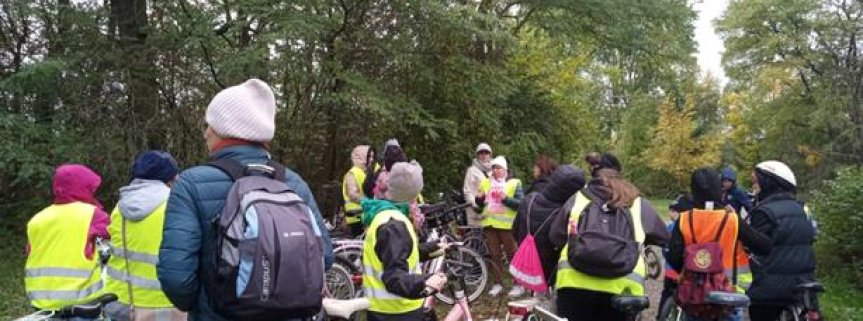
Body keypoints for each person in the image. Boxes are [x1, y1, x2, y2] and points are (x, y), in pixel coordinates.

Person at [157, 79, 334, 321]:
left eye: (209, 125)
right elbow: (324, 258)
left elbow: (176, 277)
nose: (205, 132)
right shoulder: (293, 184)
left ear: (223, 129)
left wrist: (205, 305)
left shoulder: (190, 184)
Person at [549, 168, 669, 321]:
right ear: (622, 181)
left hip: (574, 282)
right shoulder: (638, 204)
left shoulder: (578, 198)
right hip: (623, 287)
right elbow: (663, 237)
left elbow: (555, 236)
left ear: (594, 180)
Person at [104, 151, 186, 321]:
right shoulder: (176, 204)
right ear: (170, 178)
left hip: (122, 301)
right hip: (165, 304)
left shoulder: (120, 207)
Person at [361, 161, 446, 321]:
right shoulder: (394, 224)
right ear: (412, 193)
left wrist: (434, 247)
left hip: (387, 310)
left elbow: (401, 254)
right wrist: (425, 281)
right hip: (397, 312)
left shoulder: (386, 215)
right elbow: (394, 277)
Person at [667, 168, 753, 321]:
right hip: (728, 294)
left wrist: (692, 266)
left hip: (695, 294)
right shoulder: (732, 219)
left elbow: (673, 258)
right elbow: (762, 245)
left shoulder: (685, 219)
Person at [24, 164, 110, 313]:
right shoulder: (92, 214)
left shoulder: (37, 219)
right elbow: (116, 239)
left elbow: (31, 251)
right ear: (82, 187)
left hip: (41, 303)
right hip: (80, 302)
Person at [745, 161, 816, 321]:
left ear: (769, 182)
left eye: (756, 181)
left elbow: (756, 246)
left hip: (772, 288)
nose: (753, 185)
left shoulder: (763, 212)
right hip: (805, 283)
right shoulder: (803, 209)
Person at [513, 165, 586, 285]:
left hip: (530, 265)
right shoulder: (565, 212)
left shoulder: (528, 200)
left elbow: (515, 231)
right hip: (553, 271)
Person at [476, 156, 525, 297]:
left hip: (507, 226)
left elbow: (521, 204)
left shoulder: (515, 183)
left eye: (499, 168)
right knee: (494, 255)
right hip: (490, 225)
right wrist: (478, 198)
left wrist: (506, 199)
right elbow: (479, 202)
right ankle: (498, 284)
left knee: (512, 255)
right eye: (494, 168)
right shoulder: (486, 182)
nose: (495, 171)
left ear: (506, 170)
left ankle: (518, 284)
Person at [657, 194, 693, 320]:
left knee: (667, 294)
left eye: (674, 211)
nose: (670, 214)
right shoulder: (688, 227)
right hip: (681, 271)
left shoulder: (672, 227)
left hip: (672, 270)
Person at [343, 145, 373, 238]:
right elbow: (353, 194)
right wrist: (370, 202)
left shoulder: (365, 173)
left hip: (365, 215)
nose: (371, 159)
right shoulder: (352, 173)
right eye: (369, 156)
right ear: (359, 157)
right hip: (356, 217)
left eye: (372, 157)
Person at [463, 143, 493, 226]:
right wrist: (475, 206)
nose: (483, 155)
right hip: (476, 212)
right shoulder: (471, 170)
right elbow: (467, 191)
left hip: (491, 212)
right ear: (477, 155)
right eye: (481, 153)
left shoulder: (493, 170)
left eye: (486, 153)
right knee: (476, 237)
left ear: (490, 155)